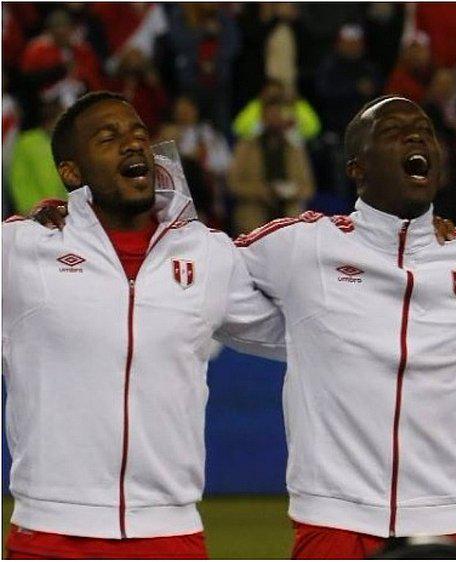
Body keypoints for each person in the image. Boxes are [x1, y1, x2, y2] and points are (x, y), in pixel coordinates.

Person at [234, 95, 456, 558]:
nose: (417, 136)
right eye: (394, 131)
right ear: (357, 167)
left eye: (425, 131)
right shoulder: (302, 245)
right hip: (334, 519)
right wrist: (304, 339)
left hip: (445, 517)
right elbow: (198, 282)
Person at [3, 92, 285, 559]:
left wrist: (420, 248)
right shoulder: (20, 250)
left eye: (138, 134)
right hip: (51, 532)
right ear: (72, 173)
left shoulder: (208, 255)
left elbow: (311, 328)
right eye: (108, 137)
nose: (132, 145)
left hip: (170, 534)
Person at [228, 99, 316, 234]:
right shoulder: (245, 148)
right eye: (270, 115)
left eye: (277, 115)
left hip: (289, 216)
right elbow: (233, 184)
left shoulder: (295, 149)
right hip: (253, 217)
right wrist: (260, 191)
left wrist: (290, 191)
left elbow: (308, 188)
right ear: (262, 118)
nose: (274, 120)